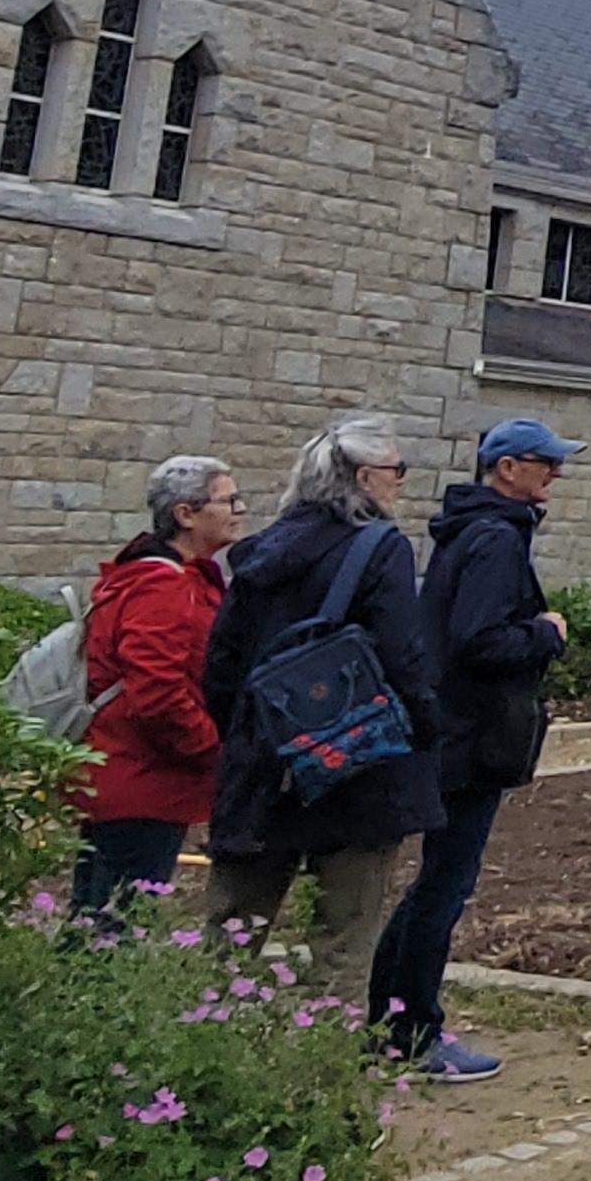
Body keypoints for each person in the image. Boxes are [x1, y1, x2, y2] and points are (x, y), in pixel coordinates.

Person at [197, 415, 440, 1006]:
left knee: (230, 935)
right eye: (395, 471)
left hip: (264, 764)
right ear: (363, 478)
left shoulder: (259, 555)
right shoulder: (382, 550)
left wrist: (253, 736)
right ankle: (324, 1081)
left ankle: (192, 1072)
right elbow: (402, 658)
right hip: (357, 766)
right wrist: (428, 729)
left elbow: (220, 666)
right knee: (343, 938)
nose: (399, 483)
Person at [368, 417, 580, 1081]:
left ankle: (385, 1018)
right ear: (507, 469)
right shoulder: (494, 538)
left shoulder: (475, 529)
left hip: (450, 730)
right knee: (445, 886)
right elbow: (479, 640)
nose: (555, 475)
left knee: (435, 885)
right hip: (469, 737)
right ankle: (413, 1034)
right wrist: (546, 634)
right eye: (544, 463)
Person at [66, 455, 241, 920]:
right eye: (228, 501)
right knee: (116, 924)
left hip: (133, 775)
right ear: (185, 515)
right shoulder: (163, 587)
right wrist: (212, 749)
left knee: (97, 920)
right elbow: (157, 690)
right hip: (144, 781)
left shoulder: (159, 577)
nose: (238, 511)